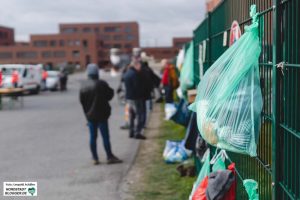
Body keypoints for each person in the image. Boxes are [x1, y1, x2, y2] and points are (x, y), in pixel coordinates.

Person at [79, 63, 122, 165]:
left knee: (93, 137)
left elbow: (82, 101)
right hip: (102, 114)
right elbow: (110, 95)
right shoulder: (101, 83)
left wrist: (87, 113)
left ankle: (95, 158)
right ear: (96, 72)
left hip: (90, 115)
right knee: (105, 136)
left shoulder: (83, 85)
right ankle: (109, 156)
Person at [123, 59, 146, 139]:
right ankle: (137, 132)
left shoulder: (127, 73)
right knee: (139, 115)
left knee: (131, 115)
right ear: (136, 65)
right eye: (140, 65)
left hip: (128, 98)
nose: (141, 67)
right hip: (136, 98)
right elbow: (137, 87)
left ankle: (131, 131)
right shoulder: (135, 74)